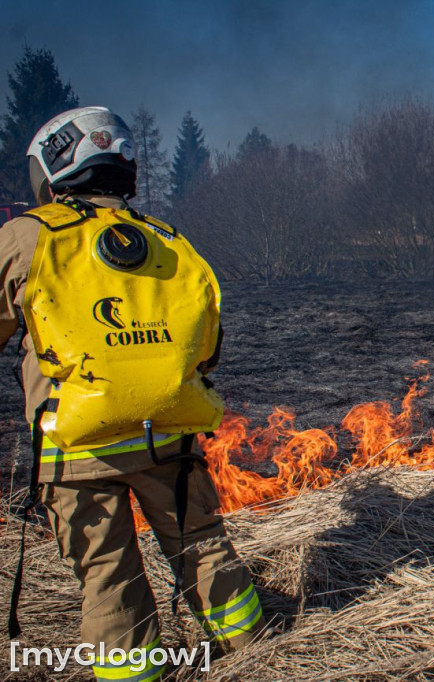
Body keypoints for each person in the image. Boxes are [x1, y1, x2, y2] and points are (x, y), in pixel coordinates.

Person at [1, 107, 264, 680]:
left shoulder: (27, 235)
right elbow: (207, 347)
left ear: (53, 166)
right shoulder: (168, 240)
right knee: (202, 544)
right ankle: (256, 653)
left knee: (108, 574)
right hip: (169, 436)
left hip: (76, 447)